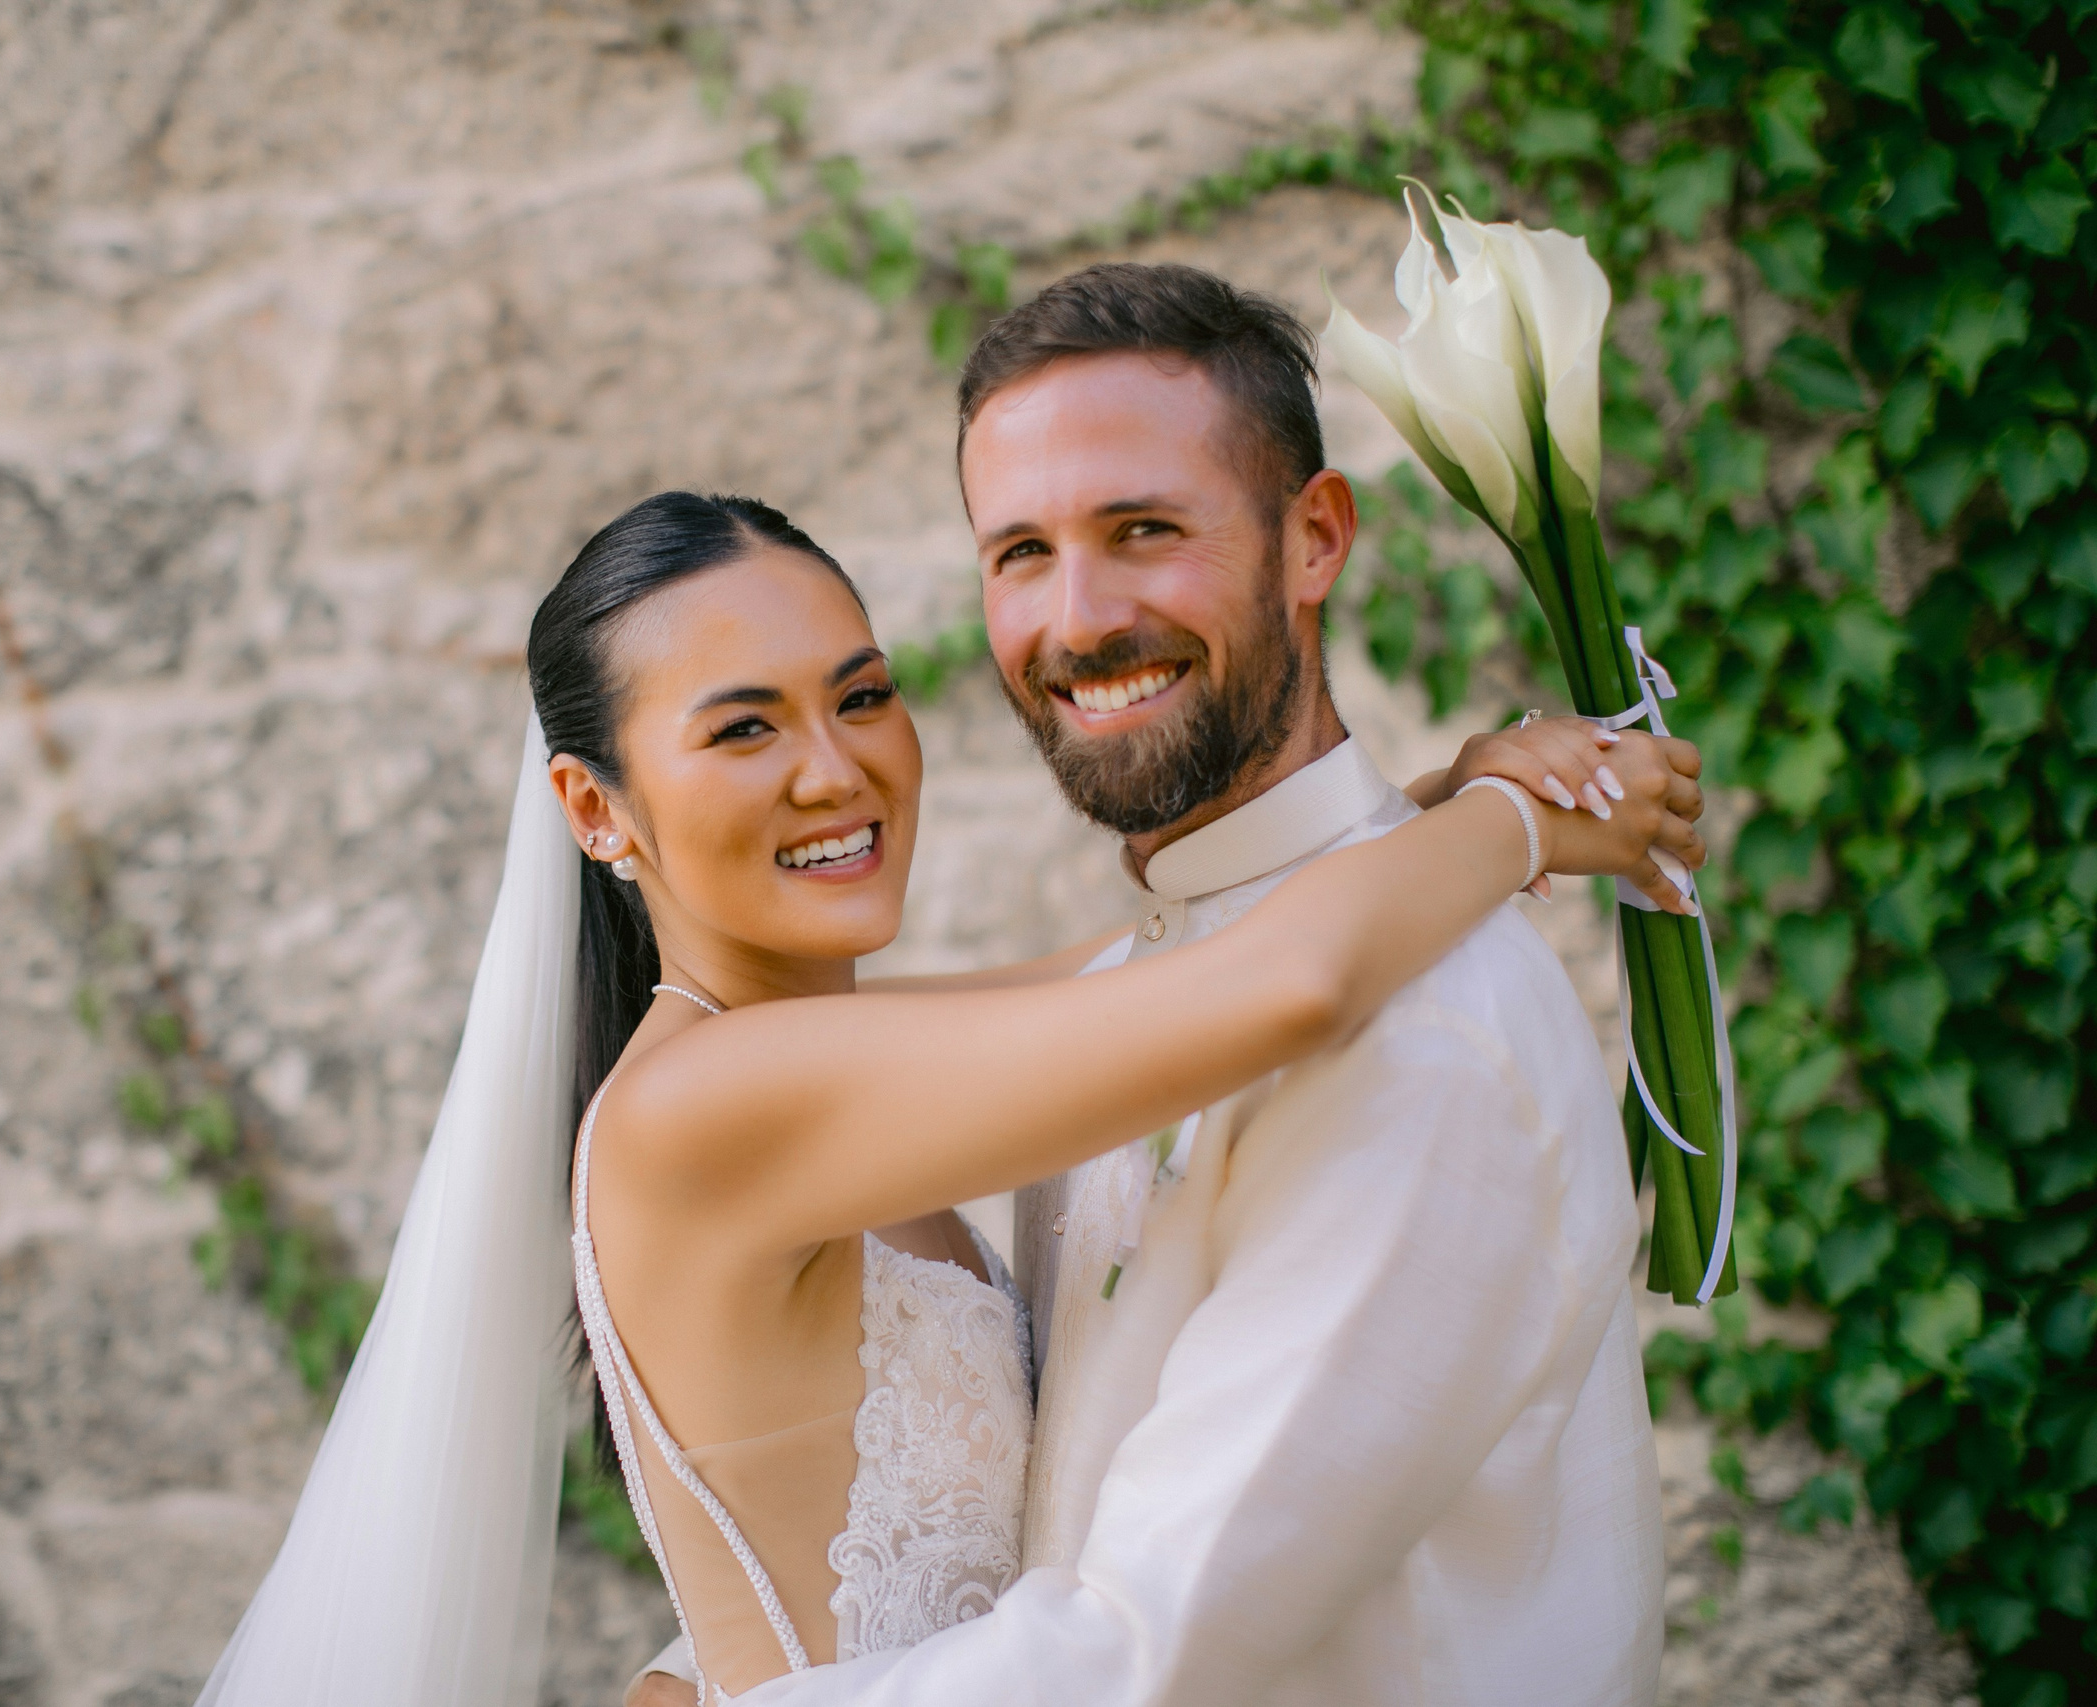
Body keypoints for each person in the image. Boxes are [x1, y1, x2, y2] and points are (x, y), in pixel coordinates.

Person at [628, 265, 1682, 1707]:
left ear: (1315, 539)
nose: (1079, 621)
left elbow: (1141, 1658)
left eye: (1143, 531)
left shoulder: (1426, 1038)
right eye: (1021, 552)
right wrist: (1482, 820)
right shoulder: (1162, 976)